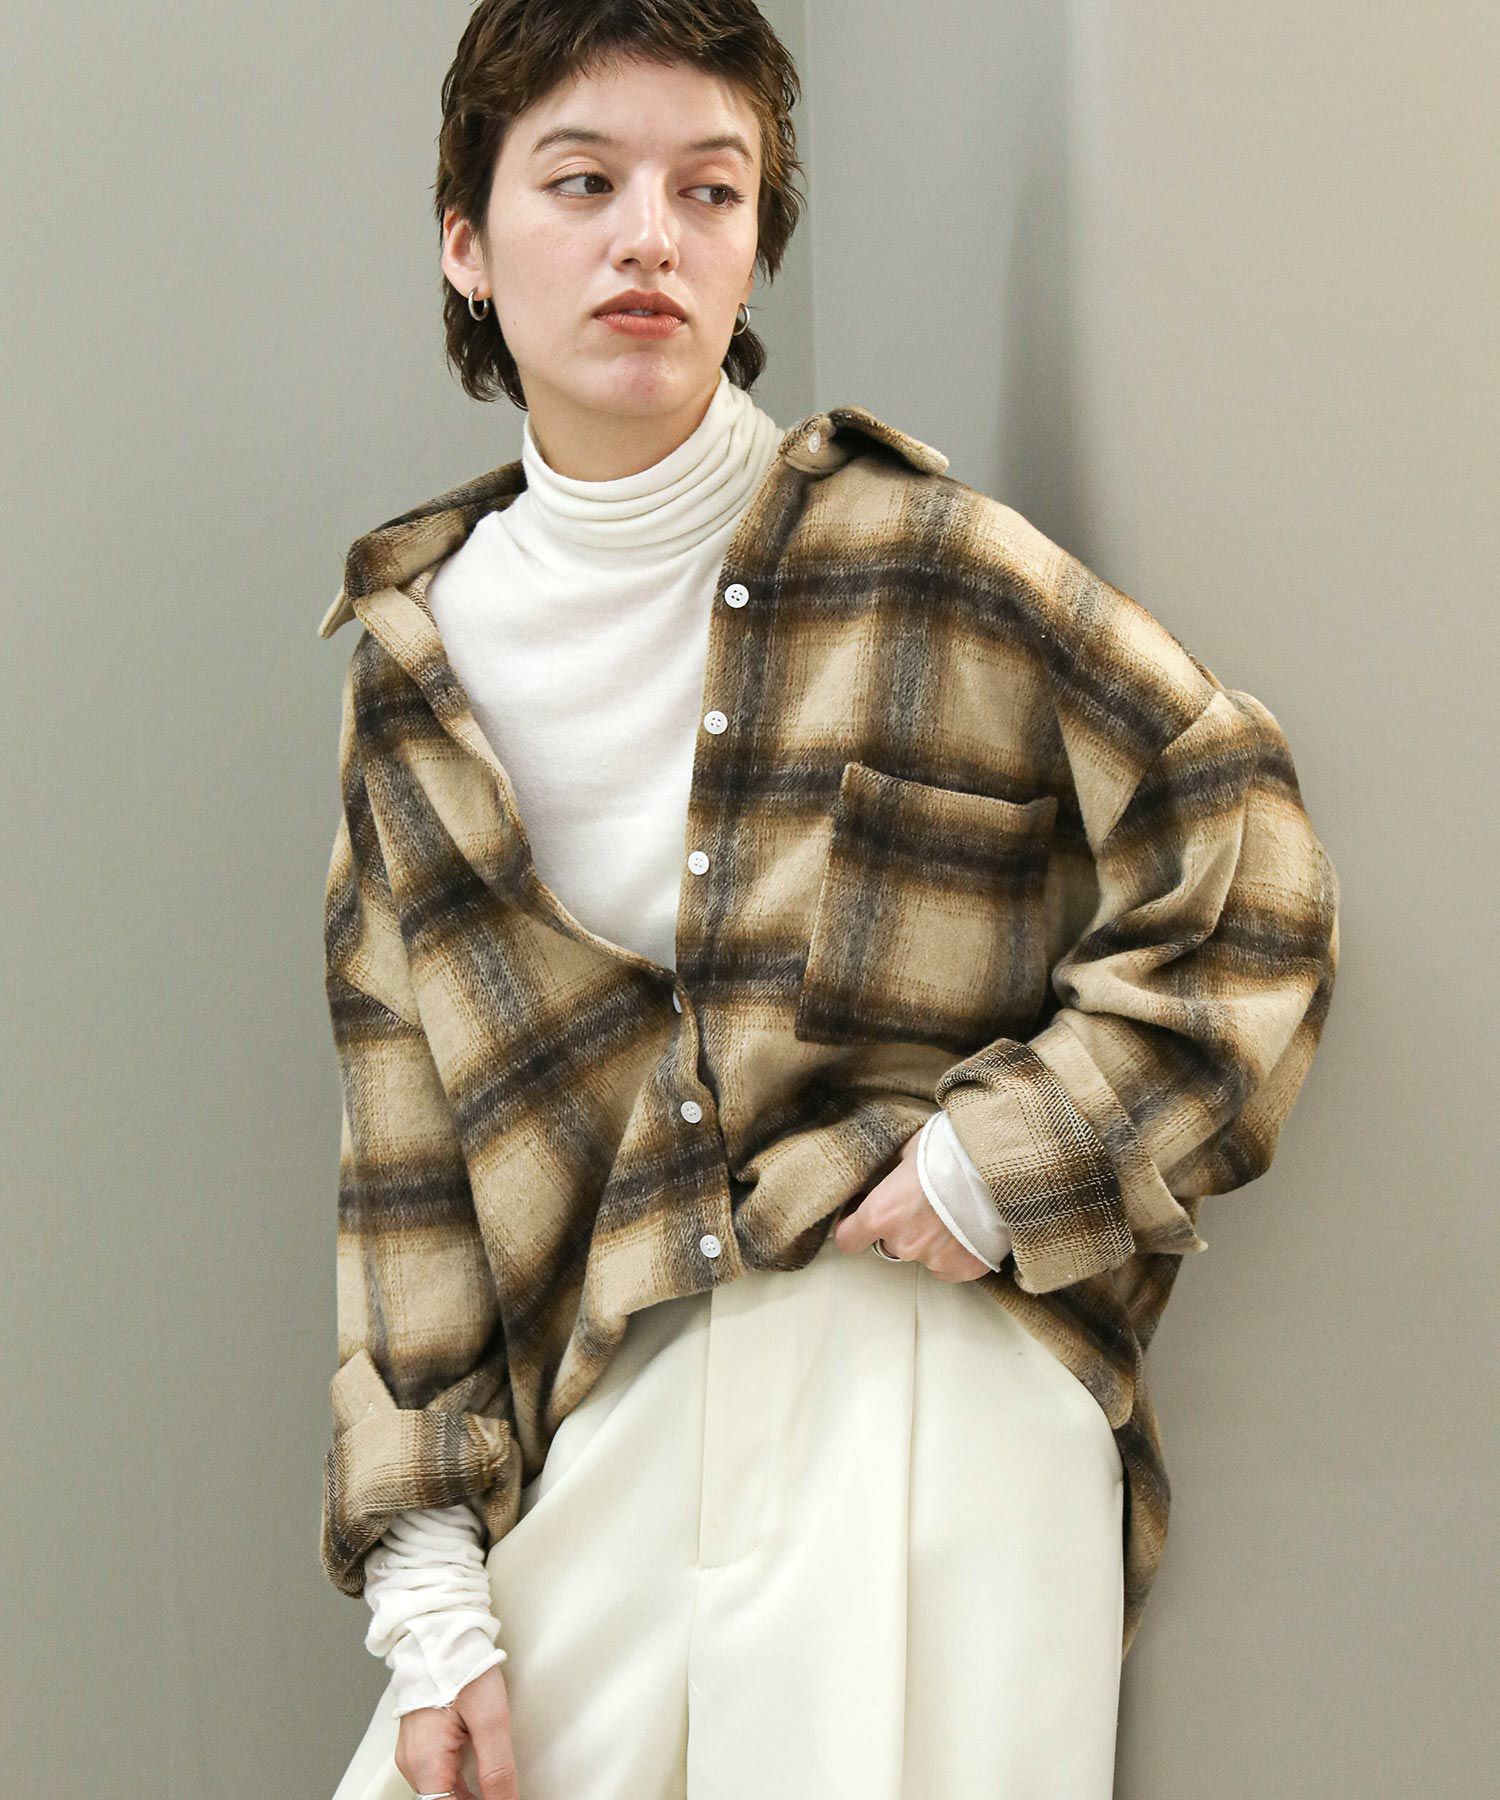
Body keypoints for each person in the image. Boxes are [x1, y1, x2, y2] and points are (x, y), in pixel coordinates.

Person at [317, 6, 1341, 1798]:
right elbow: (405, 1167)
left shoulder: (923, 560)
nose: (651, 237)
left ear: (753, 247)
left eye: (710, 191)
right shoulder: (417, 670)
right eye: (585, 182)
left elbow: (1245, 854)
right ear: (466, 244)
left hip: (926, 1388)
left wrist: (1003, 1161)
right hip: (617, 1405)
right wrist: (430, 1595)